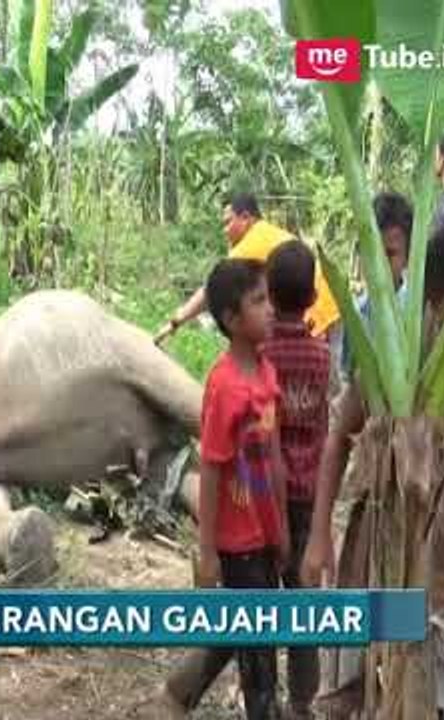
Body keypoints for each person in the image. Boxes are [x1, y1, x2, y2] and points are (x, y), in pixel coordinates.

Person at [301, 223, 444, 719]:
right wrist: (319, 538)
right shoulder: (386, 384)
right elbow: (338, 437)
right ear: (432, 304)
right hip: (378, 584)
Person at [162, 258, 287, 720]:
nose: (271, 308)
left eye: (268, 297)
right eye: (259, 301)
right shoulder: (225, 387)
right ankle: (262, 709)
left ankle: (181, 689)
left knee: (243, 630)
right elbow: (213, 470)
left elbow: (271, 455)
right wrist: (209, 550)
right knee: (258, 648)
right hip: (236, 543)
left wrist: (281, 531)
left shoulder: (266, 373)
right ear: (232, 321)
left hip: (264, 530)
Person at [261, 241, 329, 719]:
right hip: (309, 495)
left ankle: (265, 698)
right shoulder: (323, 357)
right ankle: (302, 702)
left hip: (263, 496)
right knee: (305, 604)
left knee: (263, 601)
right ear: (311, 297)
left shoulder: (260, 355)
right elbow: (325, 426)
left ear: (268, 293)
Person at [154, 193, 339, 347]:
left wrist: (174, 322)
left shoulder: (252, 242)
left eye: (228, 222)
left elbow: (212, 289)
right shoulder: (266, 234)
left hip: (317, 311)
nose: (225, 230)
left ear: (245, 218)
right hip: (329, 306)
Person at [339, 191, 412, 382]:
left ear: (408, 257)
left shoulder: (418, 315)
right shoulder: (355, 316)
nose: (379, 264)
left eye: (390, 254)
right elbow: (349, 380)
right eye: (371, 252)